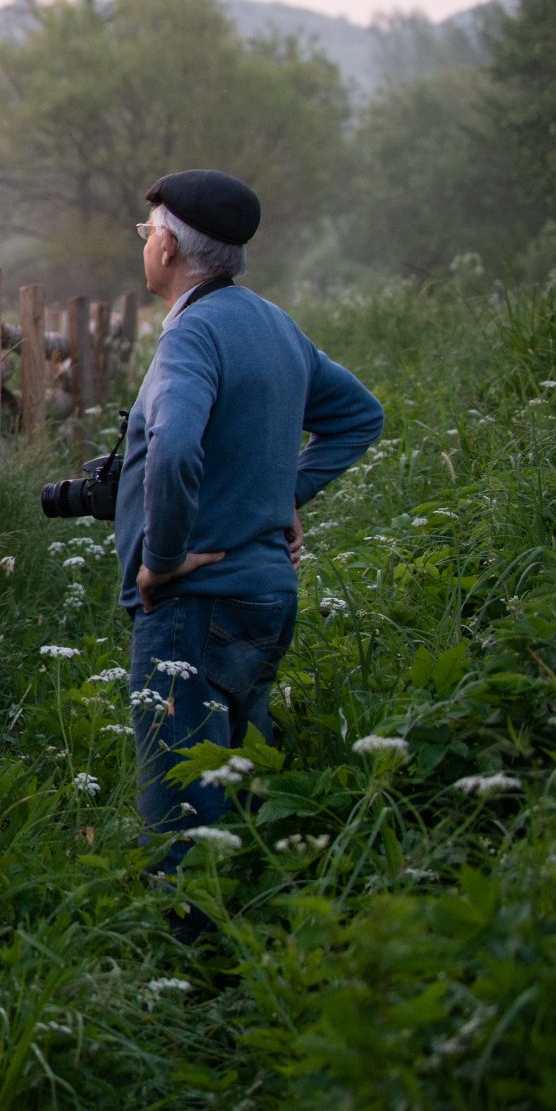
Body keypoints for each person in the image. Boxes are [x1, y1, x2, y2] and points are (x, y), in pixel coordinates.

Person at [115, 168, 383, 871]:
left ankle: (185, 960)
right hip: (266, 597)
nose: (144, 244)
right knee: (239, 797)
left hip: (193, 606)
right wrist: (283, 494)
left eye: (148, 233)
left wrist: (162, 558)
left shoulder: (192, 336)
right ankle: (247, 944)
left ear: (168, 245)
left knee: (183, 816)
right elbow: (360, 415)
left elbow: (174, 447)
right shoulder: (274, 324)